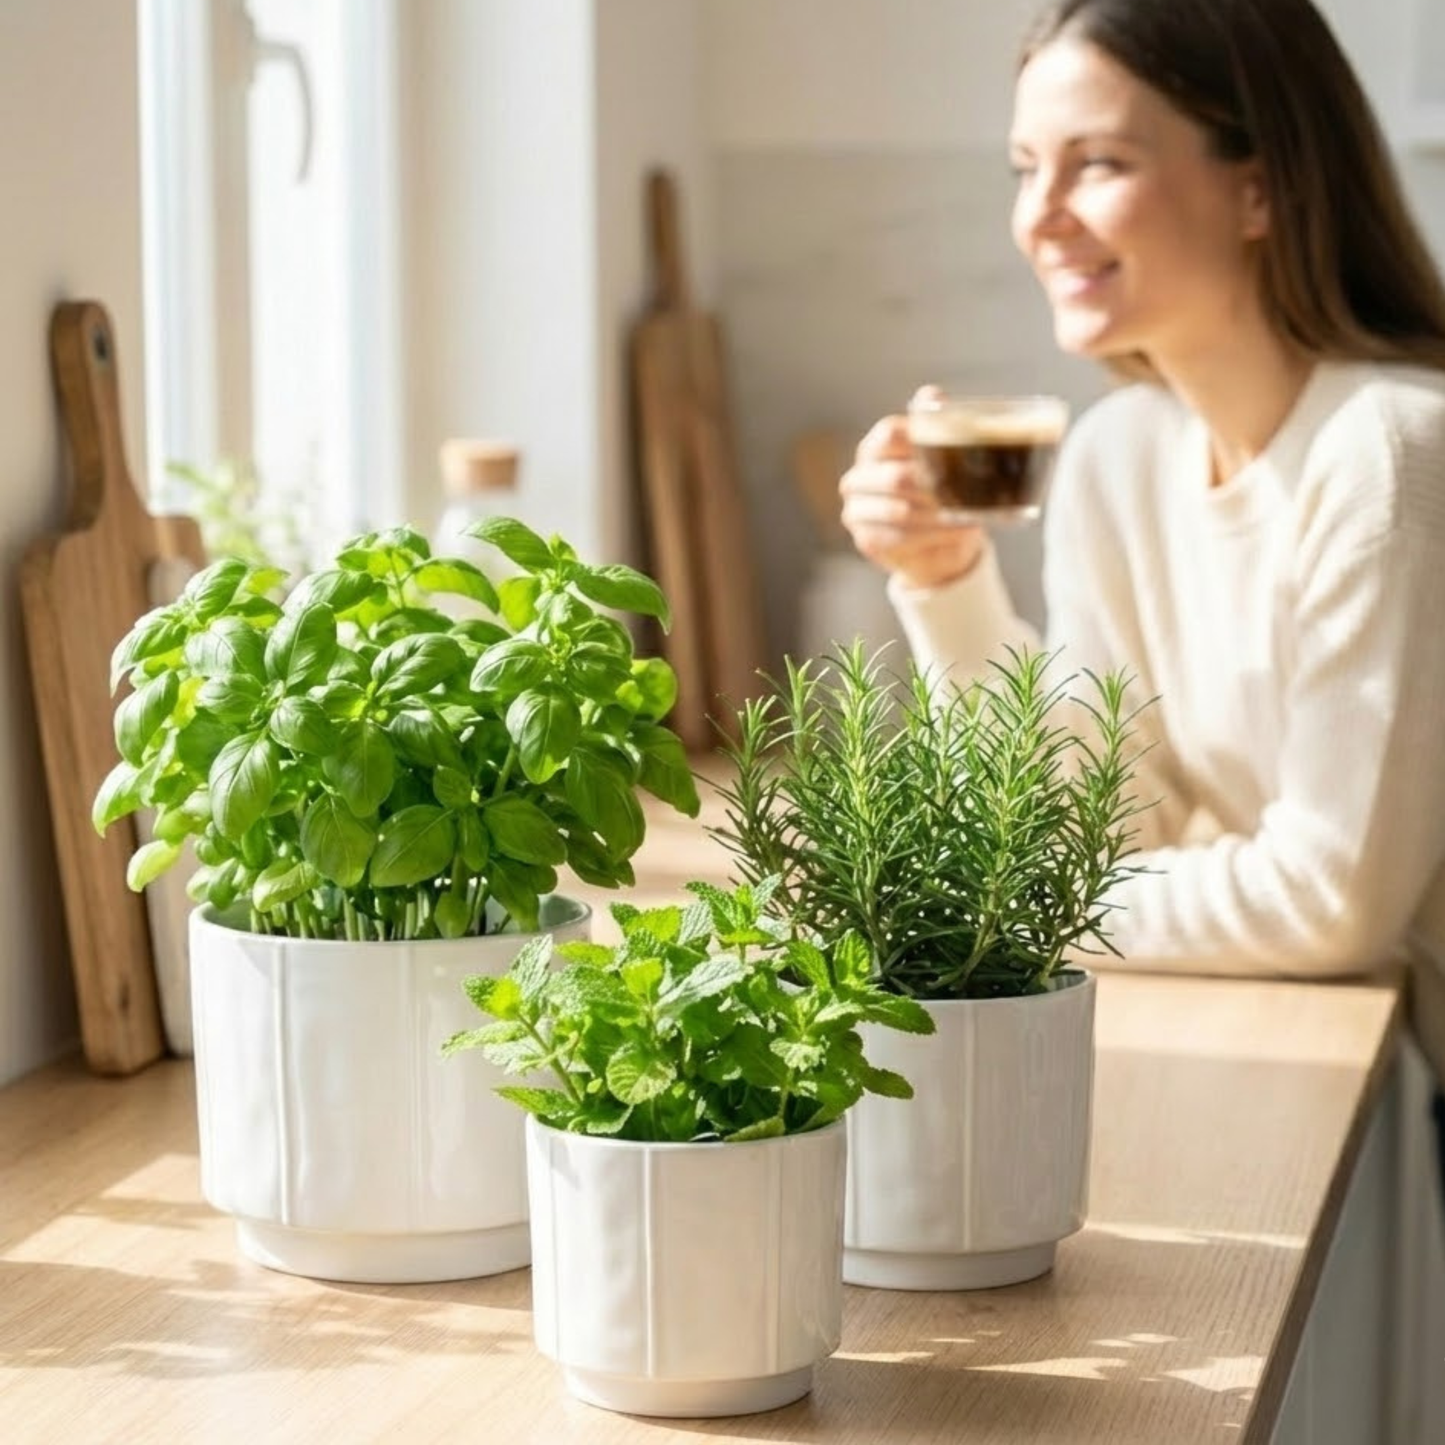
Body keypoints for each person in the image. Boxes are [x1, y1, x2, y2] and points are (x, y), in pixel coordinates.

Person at [841, 0, 1445, 1027]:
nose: (1039, 215)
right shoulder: (1118, 459)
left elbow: (1332, 898)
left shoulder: (1386, 452)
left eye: (1098, 163)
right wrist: (945, 583)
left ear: (1257, 188)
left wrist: (1021, 907)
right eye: (1024, 168)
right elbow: (1095, 821)